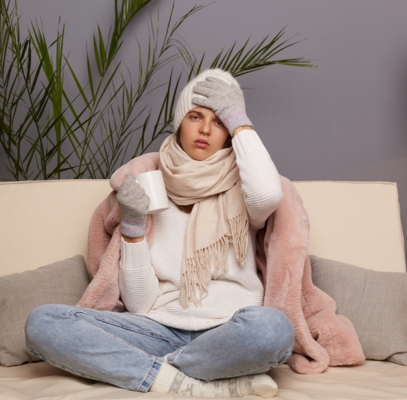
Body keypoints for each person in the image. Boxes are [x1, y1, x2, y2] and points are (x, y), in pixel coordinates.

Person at [25, 69, 296, 398]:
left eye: (220, 120)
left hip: (229, 332)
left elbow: (269, 193)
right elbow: (139, 306)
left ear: (230, 133)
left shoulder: (247, 189)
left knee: (274, 329)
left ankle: (147, 370)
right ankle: (192, 382)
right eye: (195, 116)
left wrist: (239, 119)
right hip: (156, 329)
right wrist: (133, 227)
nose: (206, 129)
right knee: (42, 323)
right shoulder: (148, 184)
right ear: (179, 122)